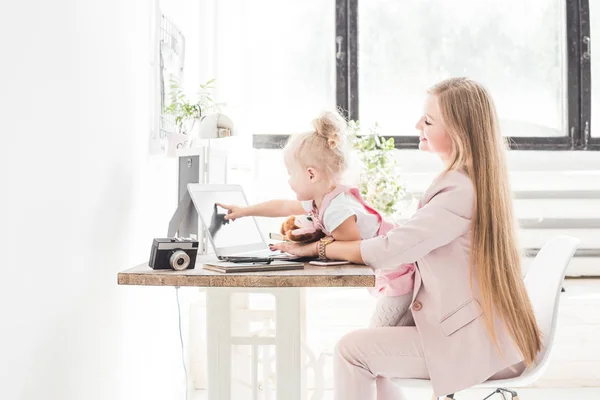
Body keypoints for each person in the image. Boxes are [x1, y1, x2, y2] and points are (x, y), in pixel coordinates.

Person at [270, 77, 542, 399]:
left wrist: (319, 248)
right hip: (485, 338)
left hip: (478, 347)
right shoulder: (465, 182)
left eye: (428, 120)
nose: (417, 125)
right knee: (379, 345)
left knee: (351, 350)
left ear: (458, 133)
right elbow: (415, 237)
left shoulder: (458, 190)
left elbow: (392, 250)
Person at [218, 110, 415, 327]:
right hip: (396, 271)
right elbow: (282, 206)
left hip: (399, 274)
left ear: (311, 174)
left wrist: (310, 248)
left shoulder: (336, 209)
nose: (289, 181)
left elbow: (352, 247)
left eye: (291, 173)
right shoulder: (323, 199)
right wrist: (245, 210)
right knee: (394, 331)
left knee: (379, 333)